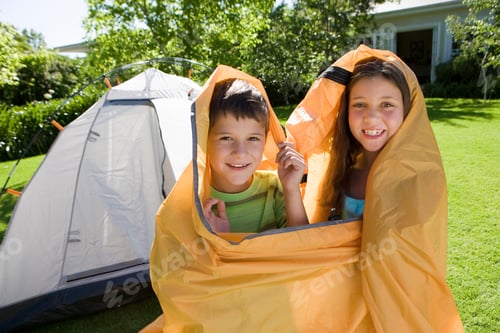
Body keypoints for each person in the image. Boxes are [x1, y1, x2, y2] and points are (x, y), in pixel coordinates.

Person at [202, 78, 309, 233]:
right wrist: (218, 239)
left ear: (265, 141)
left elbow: (302, 245)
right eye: (226, 138)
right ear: (204, 138)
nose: (240, 153)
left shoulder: (275, 188)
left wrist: (291, 188)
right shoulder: (198, 200)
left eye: (253, 138)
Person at [319, 58, 411, 220]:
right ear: (346, 111)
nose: (372, 118)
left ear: (406, 110)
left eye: (387, 104)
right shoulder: (340, 173)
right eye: (360, 104)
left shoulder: (414, 180)